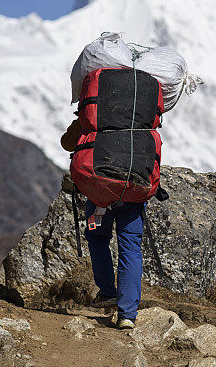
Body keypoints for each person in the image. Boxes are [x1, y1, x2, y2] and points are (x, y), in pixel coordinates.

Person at [60, 119, 144, 330]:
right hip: (133, 190)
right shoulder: (140, 116)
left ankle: (107, 291)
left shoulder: (92, 116)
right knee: (131, 248)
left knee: (96, 237)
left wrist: (81, 119)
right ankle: (127, 315)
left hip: (100, 194)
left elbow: (67, 144)